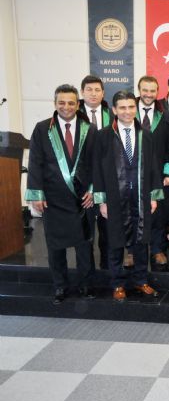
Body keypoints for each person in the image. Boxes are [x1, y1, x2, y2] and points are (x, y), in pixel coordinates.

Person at [26, 84, 96, 304]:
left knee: (84, 245)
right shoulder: (42, 129)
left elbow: (97, 162)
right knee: (55, 246)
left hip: (82, 198)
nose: (66, 107)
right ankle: (60, 286)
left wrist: (93, 189)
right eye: (62, 102)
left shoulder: (89, 129)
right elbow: (35, 162)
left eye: (71, 103)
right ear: (55, 103)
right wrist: (36, 194)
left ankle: (85, 284)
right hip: (53, 198)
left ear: (78, 104)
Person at [93, 91, 163, 302]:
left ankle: (141, 280)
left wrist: (153, 196)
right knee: (115, 241)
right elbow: (97, 169)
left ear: (136, 108)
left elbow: (153, 166)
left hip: (140, 197)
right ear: (114, 110)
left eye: (131, 107)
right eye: (122, 107)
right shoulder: (103, 136)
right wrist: (102, 200)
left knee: (141, 240)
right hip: (114, 197)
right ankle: (117, 283)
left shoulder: (146, 135)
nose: (127, 111)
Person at [136, 75, 169, 268]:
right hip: (132, 173)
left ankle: (157, 249)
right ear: (139, 90)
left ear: (157, 91)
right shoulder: (128, 112)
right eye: (145, 90)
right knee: (133, 212)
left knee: (159, 214)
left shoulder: (165, 115)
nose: (148, 94)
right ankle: (131, 251)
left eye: (152, 90)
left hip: (159, 175)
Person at [78, 75, 111, 270]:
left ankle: (107, 270)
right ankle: (87, 273)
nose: (93, 93)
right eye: (89, 90)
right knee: (85, 233)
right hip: (82, 187)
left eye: (97, 90)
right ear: (82, 92)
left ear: (103, 93)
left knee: (108, 232)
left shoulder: (112, 115)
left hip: (108, 183)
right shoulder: (74, 116)